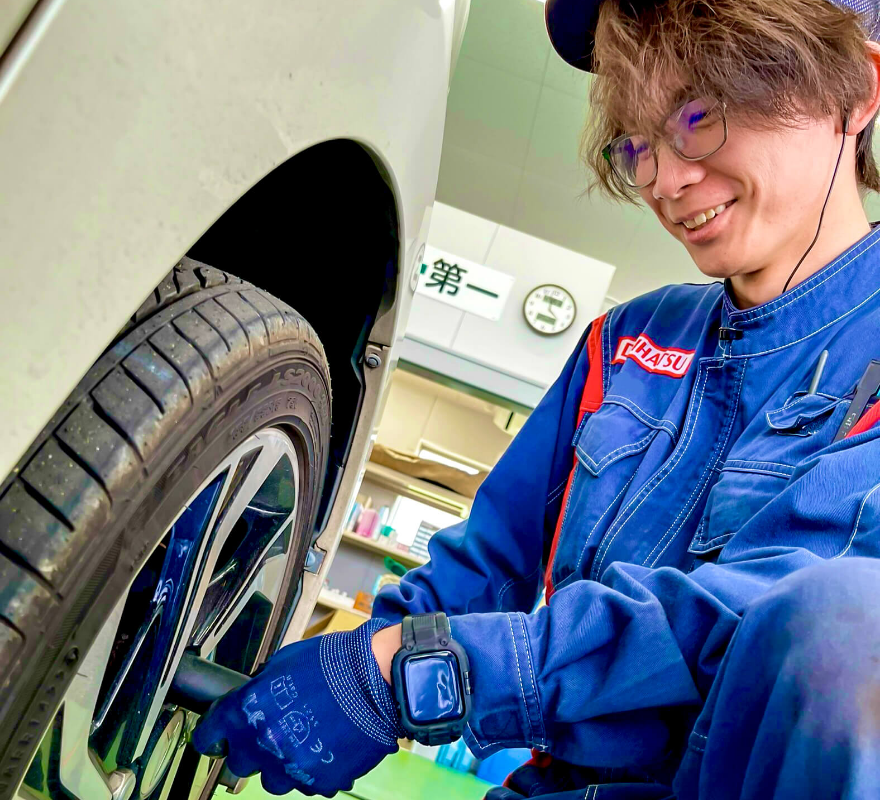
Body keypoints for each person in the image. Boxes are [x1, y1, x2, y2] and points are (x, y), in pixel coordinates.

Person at [193, 0, 880, 796]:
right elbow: (489, 566)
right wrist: (334, 666)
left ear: (854, 95)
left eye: (700, 114)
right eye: (637, 142)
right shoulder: (624, 343)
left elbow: (761, 619)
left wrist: (427, 671)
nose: (663, 177)